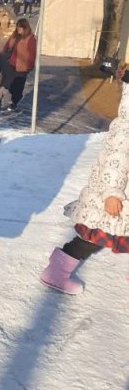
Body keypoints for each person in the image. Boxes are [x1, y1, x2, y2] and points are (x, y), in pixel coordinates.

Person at [40, 74, 129, 294]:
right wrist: (112, 192)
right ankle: (56, 273)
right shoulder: (127, 127)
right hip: (116, 193)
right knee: (95, 235)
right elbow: (116, 158)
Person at [2, 18, 37, 112]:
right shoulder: (14, 35)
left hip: (23, 67)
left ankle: (15, 102)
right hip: (12, 64)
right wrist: (2, 55)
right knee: (9, 84)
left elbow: (32, 53)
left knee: (18, 87)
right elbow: (7, 45)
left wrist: (29, 66)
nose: (18, 30)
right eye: (18, 27)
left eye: (20, 28)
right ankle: (16, 97)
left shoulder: (30, 38)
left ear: (25, 28)